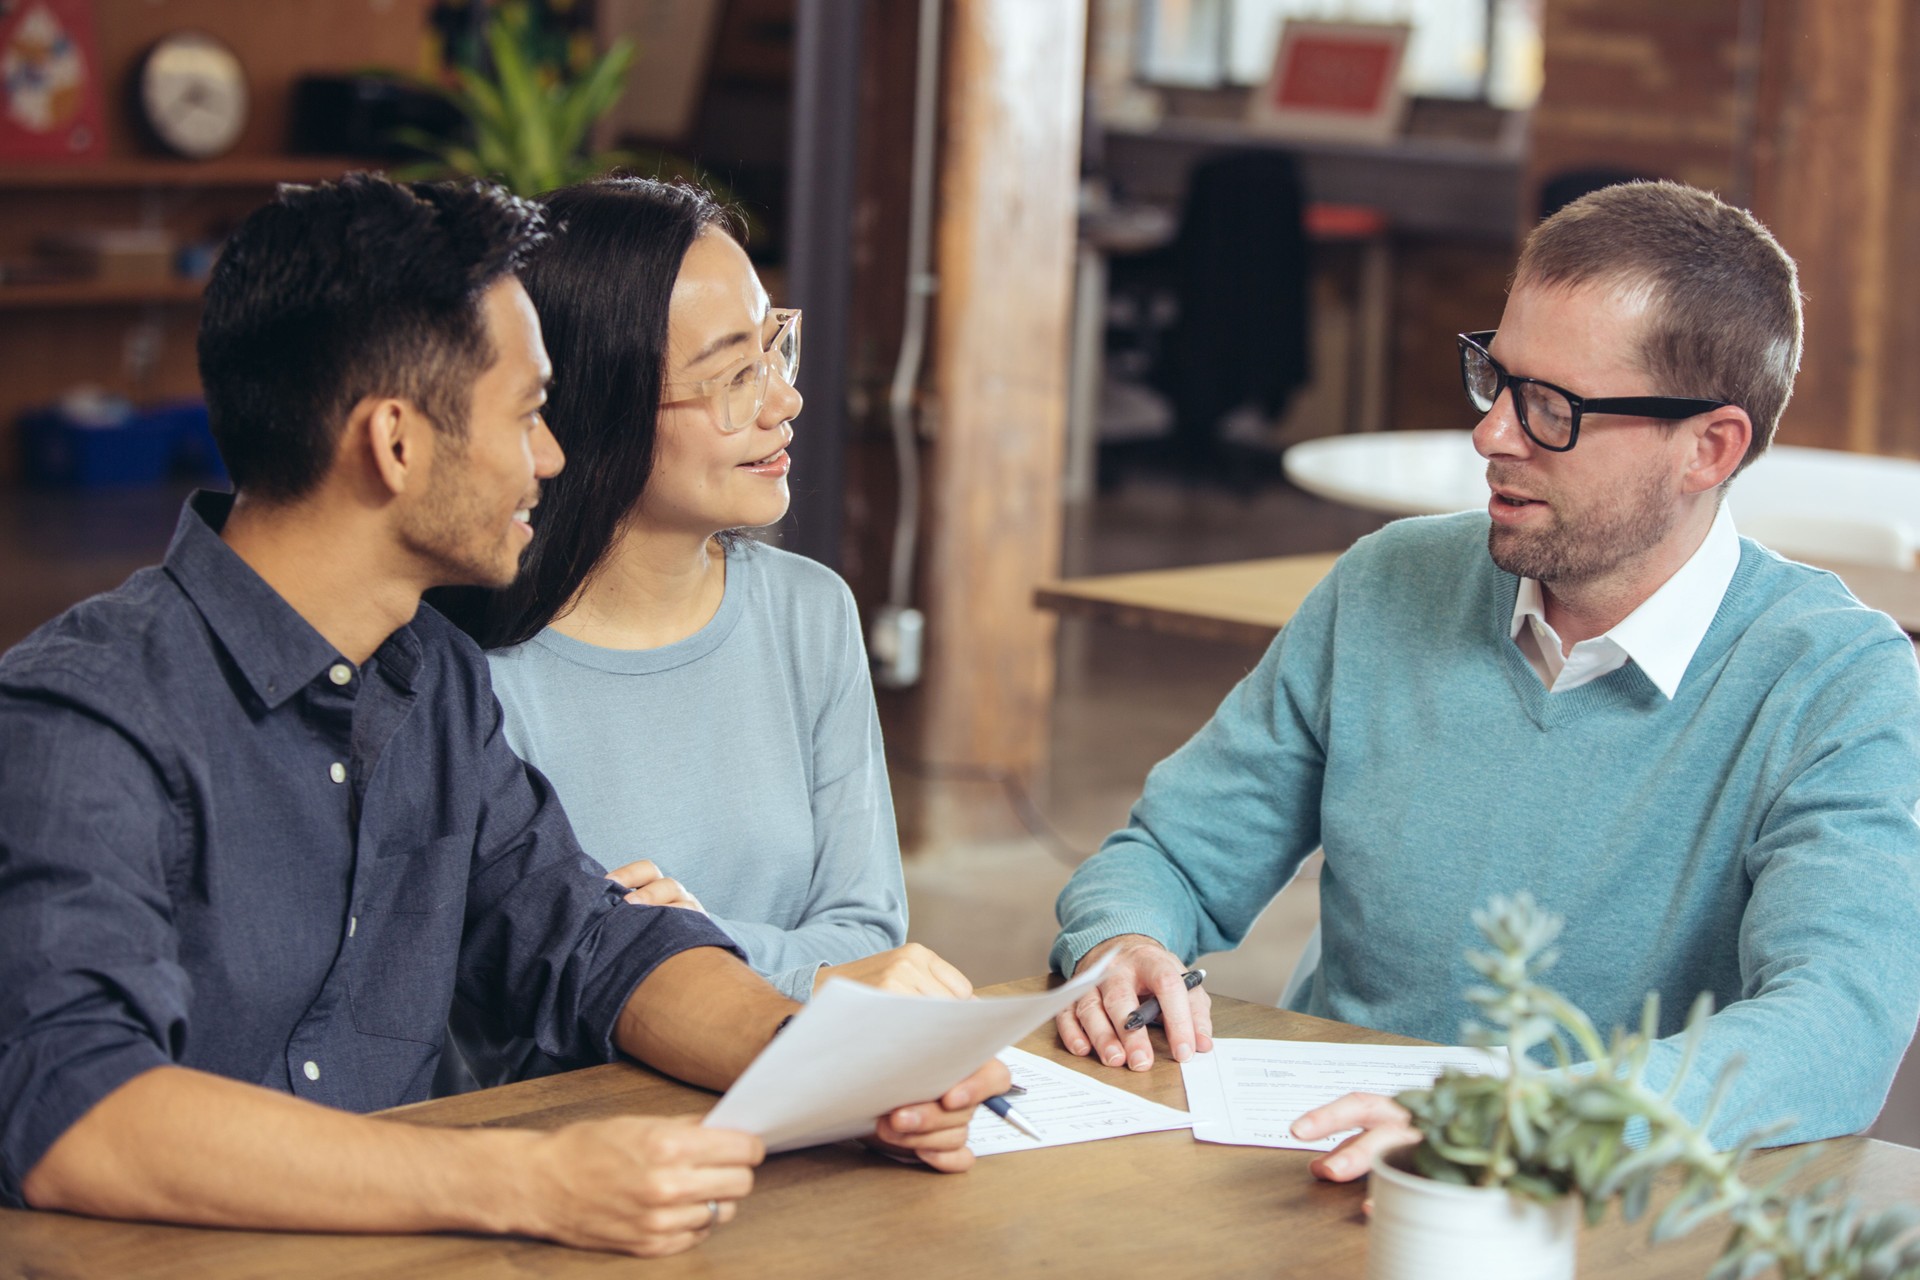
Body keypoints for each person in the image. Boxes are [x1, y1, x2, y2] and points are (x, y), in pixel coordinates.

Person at [0, 173, 1006, 1257]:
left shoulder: (431, 681)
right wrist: (526, 1176)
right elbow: (73, 1106)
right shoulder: (86, 712)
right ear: (396, 444)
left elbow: (592, 941)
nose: (555, 455)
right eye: (528, 414)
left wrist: (835, 1069)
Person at [1048, 180, 1920, 1177]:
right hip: (1317, 1173)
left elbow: (1837, 1023)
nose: (1492, 433)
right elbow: (1165, 855)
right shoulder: (1387, 580)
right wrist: (1123, 942)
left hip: (1602, 1206)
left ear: (1709, 447)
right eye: (1495, 377)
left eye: (1554, 407)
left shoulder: (1837, 679)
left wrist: (1514, 1122)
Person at [434, 179, 963, 1096]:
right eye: (730, 378)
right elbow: (494, 1002)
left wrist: (691, 946)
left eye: (772, 350)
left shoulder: (811, 614)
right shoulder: (465, 671)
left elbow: (870, 934)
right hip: (579, 1138)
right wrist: (778, 976)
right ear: (594, 401)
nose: (784, 400)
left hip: (804, 1100)